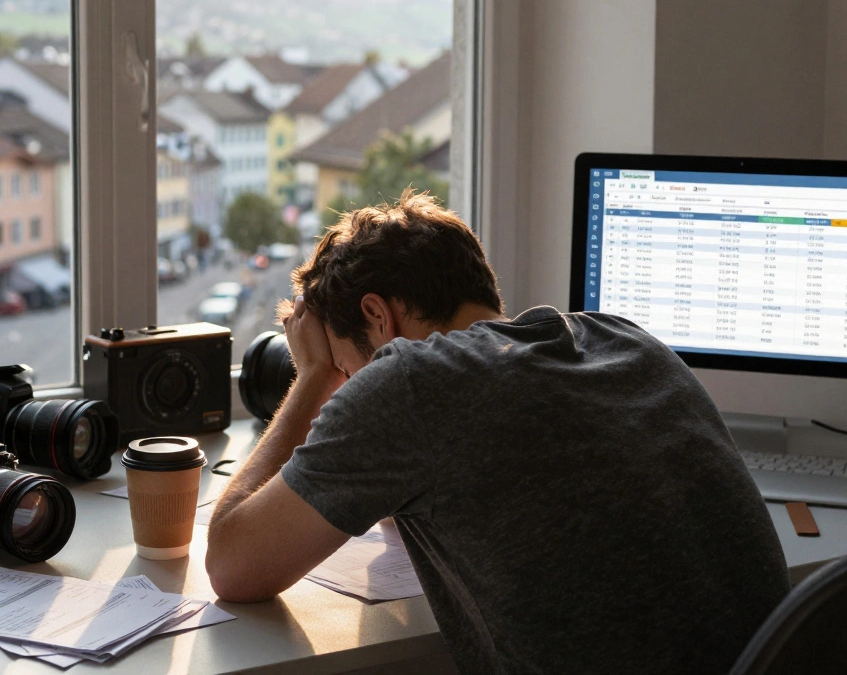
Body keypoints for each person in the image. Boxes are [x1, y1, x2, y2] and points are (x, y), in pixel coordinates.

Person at [205, 189, 789, 674]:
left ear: (378, 316)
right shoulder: (624, 338)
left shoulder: (411, 382)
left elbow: (232, 566)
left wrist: (311, 377)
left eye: (346, 372)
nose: (347, 388)